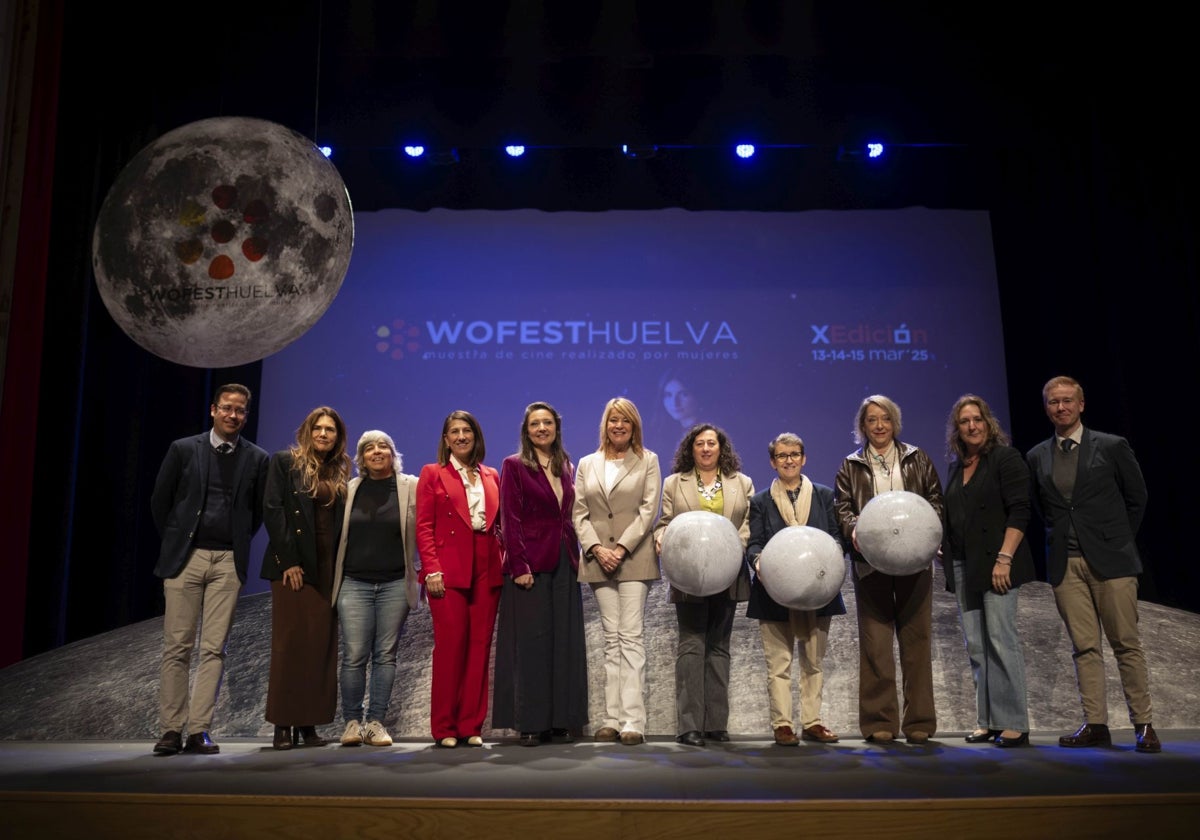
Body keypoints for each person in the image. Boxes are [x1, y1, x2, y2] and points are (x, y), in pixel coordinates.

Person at [1026, 376, 1159, 753]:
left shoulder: (1112, 446)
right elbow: (1045, 508)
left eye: (1068, 401)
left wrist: (1116, 539)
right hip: (1066, 565)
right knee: (1084, 647)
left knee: (1126, 645)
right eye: (1054, 402)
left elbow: (1137, 497)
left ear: (1081, 404)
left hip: (1112, 562)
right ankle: (1095, 723)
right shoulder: (1037, 455)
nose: (1061, 407)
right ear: (1046, 407)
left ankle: (1144, 724)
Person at [150, 384, 269, 756]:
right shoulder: (185, 449)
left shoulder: (257, 458)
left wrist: (234, 543)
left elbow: (256, 513)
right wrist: (178, 541)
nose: (233, 415)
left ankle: (199, 729)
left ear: (246, 416)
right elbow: (161, 501)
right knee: (177, 647)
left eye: (241, 411)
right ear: (214, 410)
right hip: (186, 559)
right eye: (227, 408)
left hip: (227, 562)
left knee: (215, 649)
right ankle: (171, 729)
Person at [834, 394, 944, 745]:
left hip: (915, 562)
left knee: (916, 642)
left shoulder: (917, 458)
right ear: (862, 426)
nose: (879, 426)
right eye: (871, 420)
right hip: (871, 565)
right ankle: (879, 721)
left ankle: (919, 722)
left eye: (884, 419)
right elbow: (843, 508)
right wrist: (854, 531)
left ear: (894, 422)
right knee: (876, 646)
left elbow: (935, 500)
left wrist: (931, 533)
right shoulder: (851, 465)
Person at [493, 401, 589, 746]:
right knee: (531, 646)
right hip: (529, 564)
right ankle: (531, 722)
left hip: (564, 560)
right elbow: (510, 519)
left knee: (563, 642)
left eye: (547, 423)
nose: (542, 429)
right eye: (535, 424)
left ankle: (560, 721)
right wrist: (520, 566)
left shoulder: (566, 465)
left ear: (556, 428)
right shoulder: (514, 466)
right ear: (526, 430)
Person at [942, 395, 1034, 748]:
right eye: (964, 421)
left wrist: (1005, 558)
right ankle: (988, 721)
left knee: (1000, 639)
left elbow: (1020, 510)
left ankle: (1013, 722)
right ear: (958, 429)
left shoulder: (1005, 459)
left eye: (977, 419)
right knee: (977, 646)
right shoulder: (956, 467)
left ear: (988, 422)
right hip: (965, 565)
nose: (972, 426)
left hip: (998, 564)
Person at [653, 423, 754, 747]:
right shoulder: (673, 484)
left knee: (719, 647)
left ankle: (715, 725)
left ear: (721, 448)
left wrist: (734, 548)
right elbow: (665, 524)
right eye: (700, 444)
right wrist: (661, 538)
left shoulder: (742, 483)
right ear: (691, 449)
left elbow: (749, 525)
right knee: (692, 645)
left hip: (729, 572)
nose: (707, 449)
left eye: (712, 443)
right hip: (689, 574)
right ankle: (690, 726)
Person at [746, 432, 846, 747]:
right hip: (772, 591)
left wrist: (831, 558)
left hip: (817, 589)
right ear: (773, 462)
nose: (788, 460)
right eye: (781, 455)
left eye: (794, 454)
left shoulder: (824, 495)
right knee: (778, 663)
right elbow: (754, 543)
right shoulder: (760, 501)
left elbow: (835, 537)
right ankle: (783, 724)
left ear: (803, 459)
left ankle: (813, 722)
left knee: (813, 661)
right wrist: (759, 561)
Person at [573, 397, 661, 746]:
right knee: (611, 641)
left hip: (633, 558)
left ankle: (633, 721)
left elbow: (648, 510)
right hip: (598, 560)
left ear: (634, 425)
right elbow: (579, 513)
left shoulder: (648, 461)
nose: (619, 426)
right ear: (605, 425)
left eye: (625, 420)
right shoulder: (586, 463)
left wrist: (621, 548)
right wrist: (596, 548)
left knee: (630, 638)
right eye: (613, 420)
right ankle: (611, 718)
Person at [261, 406, 350, 750]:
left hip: (328, 568)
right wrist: (290, 561)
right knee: (289, 646)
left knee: (319, 649)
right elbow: (273, 510)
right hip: (294, 568)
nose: (324, 434)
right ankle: (283, 725)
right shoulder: (286, 462)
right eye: (319, 428)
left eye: (331, 429)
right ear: (308, 431)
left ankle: (309, 724)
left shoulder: (339, 471)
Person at [415, 410, 503, 749]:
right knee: (451, 648)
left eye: (467, 430)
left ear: (476, 436)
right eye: (455, 431)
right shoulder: (432, 473)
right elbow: (424, 525)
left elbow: (497, 525)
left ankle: (471, 724)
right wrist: (431, 569)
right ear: (446, 438)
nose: (462, 436)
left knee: (480, 648)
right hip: (448, 567)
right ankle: (445, 727)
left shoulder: (491, 474)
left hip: (486, 565)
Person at [331, 430, 420, 748]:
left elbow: (426, 528)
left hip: (396, 583)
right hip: (354, 582)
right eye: (370, 448)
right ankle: (352, 722)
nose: (377, 451)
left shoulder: (411, 486)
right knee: (354, 655)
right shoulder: (349, 489)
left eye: (384, 446)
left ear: (393, 453)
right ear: (361, 457)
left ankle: (375, 722)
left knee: (385, 656)